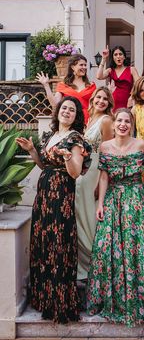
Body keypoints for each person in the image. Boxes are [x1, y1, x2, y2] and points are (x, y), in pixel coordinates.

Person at [16, 96, 91, 324]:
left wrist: (68, 157)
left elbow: (75, 173)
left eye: (72, 110)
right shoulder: (50, 136)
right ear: (58, 111)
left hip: (61, 196)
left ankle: (60, 302)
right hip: (44, 195)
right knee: (44, 243)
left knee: (58, 244)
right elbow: (44, 165)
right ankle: (44, 298)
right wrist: (32, 150)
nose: (67, 112)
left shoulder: (75, 139)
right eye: (64, 108)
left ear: (77, 116)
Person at [87, 108, 144, 326]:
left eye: (127, 121)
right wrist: (100, 204)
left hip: (135, 200)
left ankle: (137, 302)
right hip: (112, 199)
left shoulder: (141, 145)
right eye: (119, 120)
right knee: (105, 246)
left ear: (132, 124)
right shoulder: (105, 146)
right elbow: (104, 176)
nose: (123, 124)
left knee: (136, 248)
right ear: (114, 122)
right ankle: (110, 300)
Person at [75, 86, 114, 281]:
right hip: (83, 170)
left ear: (109, 103)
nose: (101, 101)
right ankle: (85, 264)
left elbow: (107, 152)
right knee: (80, 216)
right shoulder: (89, 119)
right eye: (98, 97)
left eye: (105, 99)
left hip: (95, 170)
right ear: (92, 100)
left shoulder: (106, 120)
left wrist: (101, 181)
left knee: (89, 218)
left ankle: (98, 263)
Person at [36, 54, 96, 124]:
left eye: (85, 65)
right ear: (73, 67)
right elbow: (55, 103)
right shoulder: (63, 85)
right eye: (81, 65)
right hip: (70, 120)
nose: (84, 67)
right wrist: (46, 85)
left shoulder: (91, 85)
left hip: (88, 121)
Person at [97, 45, 139, 112]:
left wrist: (132, 97)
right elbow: (99, 76)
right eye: (115, 55)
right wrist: (104, 58)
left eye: (120, 54)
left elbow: (139, 84)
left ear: (124, 56)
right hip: (113, 104)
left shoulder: (131, 69)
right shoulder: (110, 70)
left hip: (128, 103)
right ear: (113, 58)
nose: (118, 56)